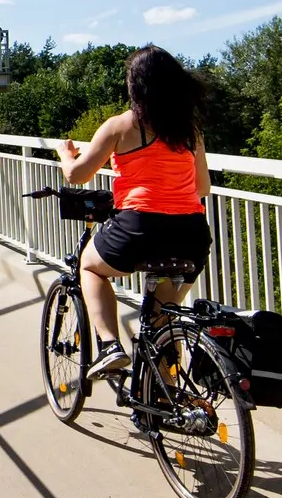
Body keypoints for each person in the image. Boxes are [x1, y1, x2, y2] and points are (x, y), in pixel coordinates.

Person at [57, 45, 212, 381]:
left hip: (140, 227)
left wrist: (65, 154)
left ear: (136, 86)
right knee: (162, 319)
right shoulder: (190, 131)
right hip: (191, 233)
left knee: (90, 267)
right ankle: (166, 397)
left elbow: (77, 175)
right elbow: (202, 187)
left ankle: (110, 346)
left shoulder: (121, 126)